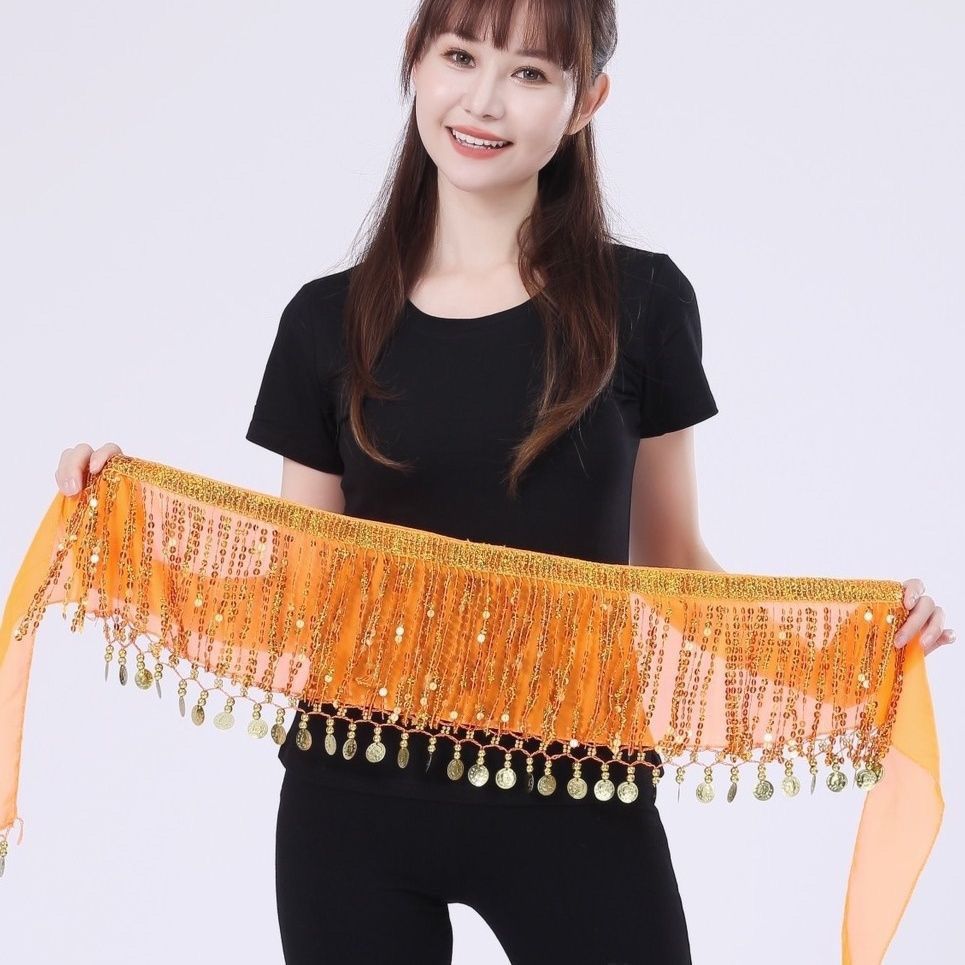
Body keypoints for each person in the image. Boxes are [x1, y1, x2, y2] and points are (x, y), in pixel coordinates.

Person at [52, 1, 955, 962]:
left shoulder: (640, 303)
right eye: (460, 55)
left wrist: (851, 654)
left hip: (574, 793)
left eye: (529, 72)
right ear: (416, 63)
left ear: (585, 101)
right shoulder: (325, 321)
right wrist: (120, 525)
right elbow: (298, 589)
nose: (483, 100)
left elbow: (674, 565)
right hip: (352, 795)